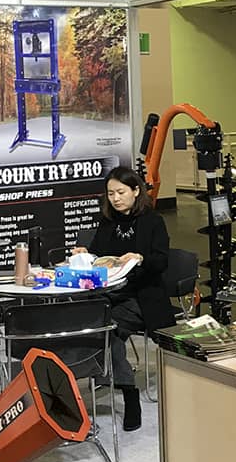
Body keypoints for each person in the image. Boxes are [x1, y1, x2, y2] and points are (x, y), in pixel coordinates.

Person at [73, 167, 173, 432]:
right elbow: (98, 255)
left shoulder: (153, 221)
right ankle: (101, 378)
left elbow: (161, 261)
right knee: (88, 323)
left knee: (108, 328)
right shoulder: (108, 221)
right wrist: (86, 254)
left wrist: (140, 258)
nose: (116, 199)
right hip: (110, 293)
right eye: (111, 194)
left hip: (142, 296)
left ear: (136, 191)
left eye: (121, 192)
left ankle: (129, 394)